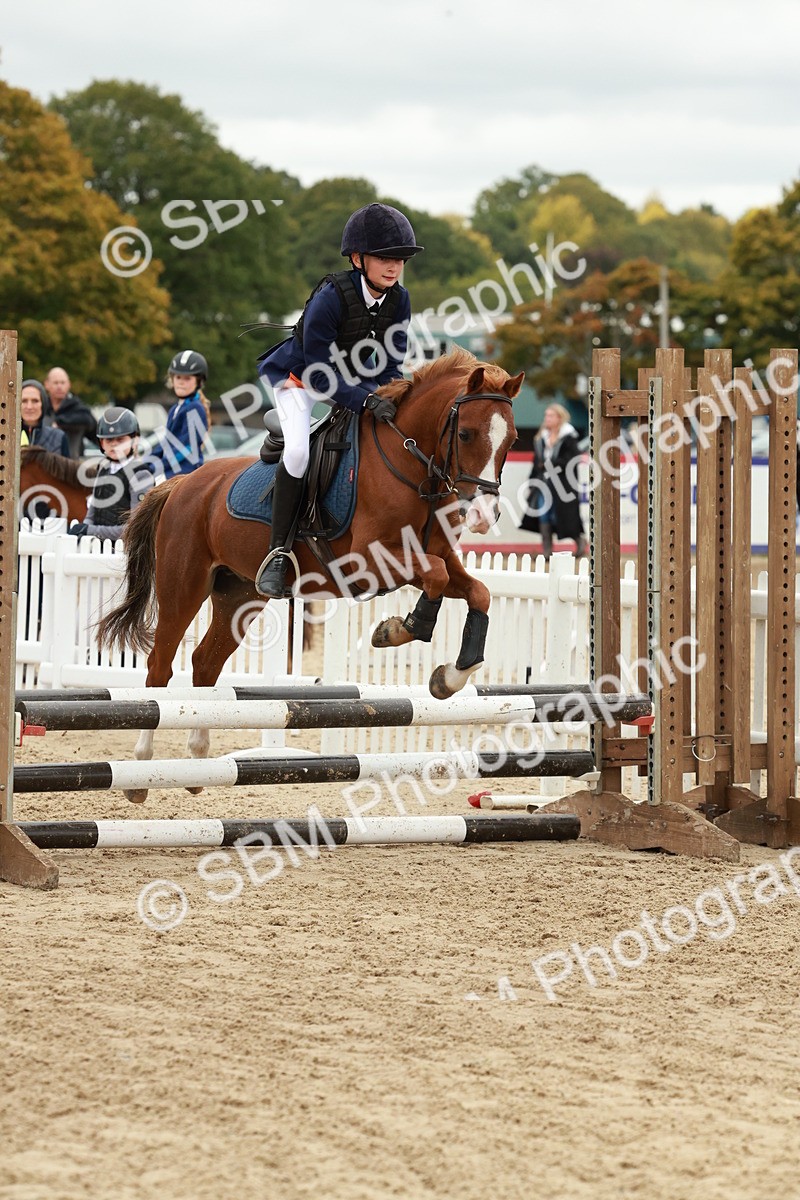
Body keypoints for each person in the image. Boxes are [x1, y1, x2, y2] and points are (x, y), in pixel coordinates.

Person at [254, 202, 423, 598]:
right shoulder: (331, 296)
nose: (394, 266)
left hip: (353, 382)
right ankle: (277, 553)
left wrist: (388, 396)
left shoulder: (400, 300)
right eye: (385, 257)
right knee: (297, 453)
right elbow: (317, 372)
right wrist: (365, 401)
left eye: (400, 259)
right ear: (357, 258)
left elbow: (389, 364)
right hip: (300, 380)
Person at [68, 407, 158, 542]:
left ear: (135, 440)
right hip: (96, 548)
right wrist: (84, 529)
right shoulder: (103, 470)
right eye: (109, 440)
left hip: (124, 552)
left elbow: (135, 528)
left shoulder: (141, 475)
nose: (114, 445)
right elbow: (91, 514)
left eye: (121, 440)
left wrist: (89, 531)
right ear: (101, 443)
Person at [519, 403, 587, 559]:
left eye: (550, 415)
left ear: (559, 418)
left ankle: (580, 542)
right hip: (543, 482)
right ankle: (547, 551)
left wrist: (551, 465)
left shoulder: (569, 436)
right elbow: (537, 462)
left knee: (563, 516)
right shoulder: (541, 437)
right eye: (546, 415)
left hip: (563, 484)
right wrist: (532, 480)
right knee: (543, 514)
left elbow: (573, 460)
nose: (547, 418)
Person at [148, 350, 211, 479]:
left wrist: (157, 466)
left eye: (187, 378)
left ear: (199, 382)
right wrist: (148, 461)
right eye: (178, 377)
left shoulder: (196, 409)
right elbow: (167, 441)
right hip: (171, 469)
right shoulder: (175, 409)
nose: (181, 382)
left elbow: (186, 449)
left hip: (185, 472)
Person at [44, 367, 98, 457]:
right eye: (55, 383)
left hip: (72, 466)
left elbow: (96, 434)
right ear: (46, 384)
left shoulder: (79, 410)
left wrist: (60, 422)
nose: (59, 386)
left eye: (62, 383)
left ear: (69, 384)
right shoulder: (40, 409)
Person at [20, 379, 70, 455]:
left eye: (35, 401)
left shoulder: (59, 437)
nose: (29, 407)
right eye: (24, 401)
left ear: (43, 404)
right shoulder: (5, 437)